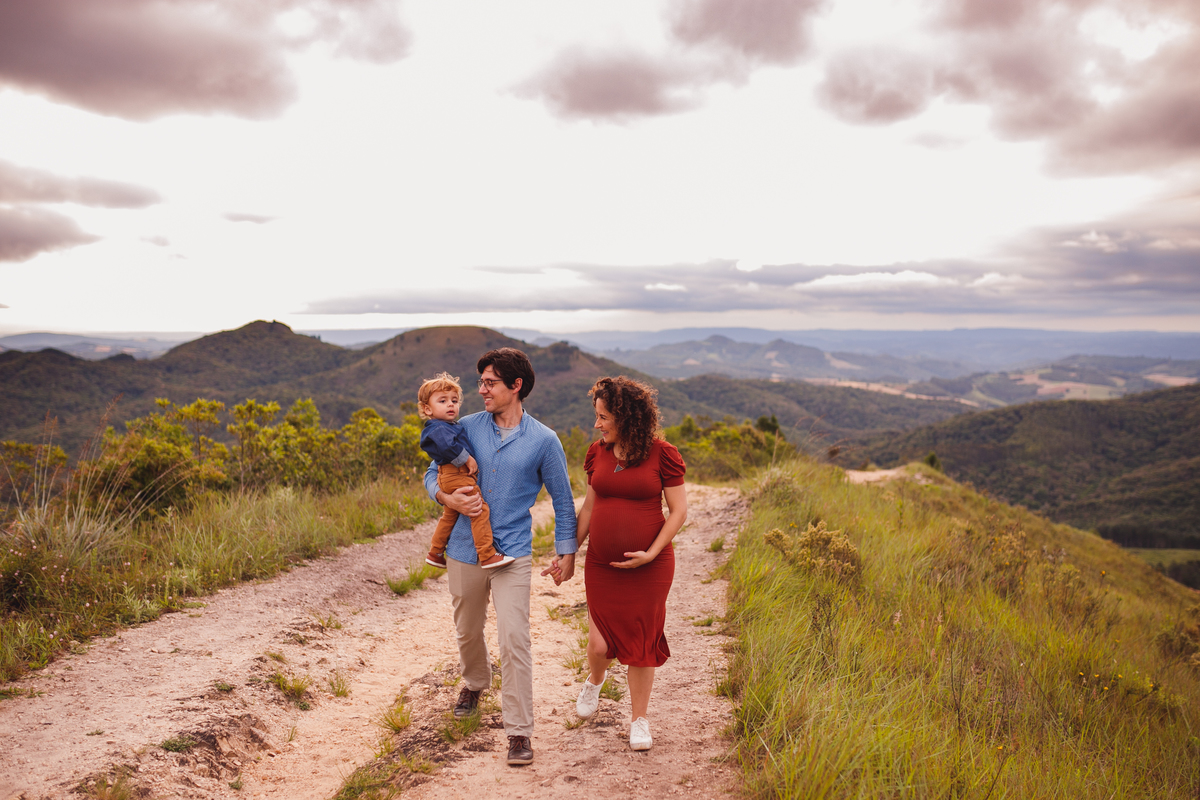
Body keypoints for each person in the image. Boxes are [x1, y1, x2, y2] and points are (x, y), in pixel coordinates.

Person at [422, 347, 578, 767]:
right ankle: (474, 682)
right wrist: (444, 494)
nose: (481, 390)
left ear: (516, 386)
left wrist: (568, 552)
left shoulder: (544, 440)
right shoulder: (466, 426)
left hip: (512, 552)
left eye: (490, 383)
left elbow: (563, 501)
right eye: (481, 382)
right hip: (461, 549)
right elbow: (431, 472)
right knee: (468, 630)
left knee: (515, 638)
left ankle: (519, 732)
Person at [547, 376, 687, 752]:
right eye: (597, 416)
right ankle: (595, 680)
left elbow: (678, 511)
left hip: (651, 566)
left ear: (627, 417)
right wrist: (567, 552)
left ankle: (639, 719)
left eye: (604, 416)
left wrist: (653, 552)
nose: (598, 424)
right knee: (599, 644)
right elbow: (589, 508)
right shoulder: (599, 453)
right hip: (601, 565)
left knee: (641, 643)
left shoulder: (663, 454)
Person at [417, 371, 514, 570]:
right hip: (456, 474)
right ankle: (487, 554)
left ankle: (435, 551)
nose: (450, 404)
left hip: (446, 476)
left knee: (449, 515)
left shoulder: (446, 425)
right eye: (442, 401)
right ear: (427, 409)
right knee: (479, 509)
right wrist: (467, 458)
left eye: (454, 400)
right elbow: (446, 446)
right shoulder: (439, 428)